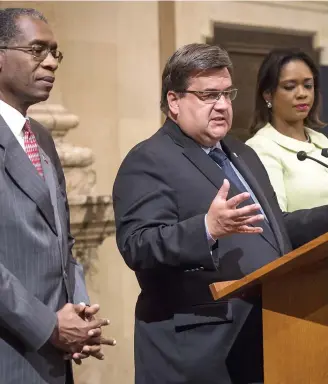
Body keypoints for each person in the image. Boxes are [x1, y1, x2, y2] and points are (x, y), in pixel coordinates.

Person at [113, 43, 328, 384]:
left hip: (264, 335)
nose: (223, 106)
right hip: (198, 349)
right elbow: (138, 245)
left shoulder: (241, 153)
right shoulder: (148, 159)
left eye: (227, 94)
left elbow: (275, 231)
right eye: (209, 96)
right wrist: (206, 229)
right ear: (174, 101)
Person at [0, 8, 115, 384]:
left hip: (53, 357)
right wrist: (48, 325)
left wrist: (78, 314)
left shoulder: (42, 137)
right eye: (37, 51)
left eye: (55, 53)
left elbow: (62, 241)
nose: (51, 63)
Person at [246, 49, 328, 212]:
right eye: (290, 87)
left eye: (308, 86)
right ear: (268, 95)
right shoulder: (260, 149)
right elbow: (278, 221)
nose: (302, 94)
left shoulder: (321, 141)